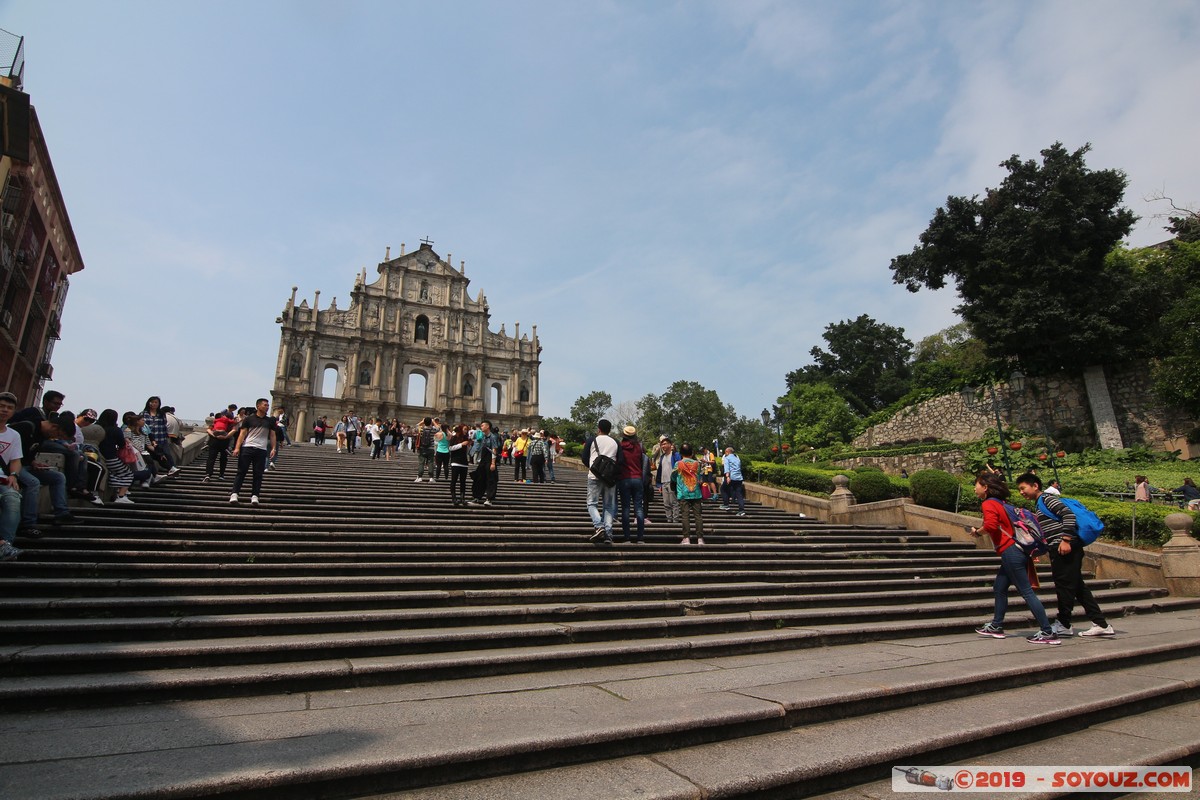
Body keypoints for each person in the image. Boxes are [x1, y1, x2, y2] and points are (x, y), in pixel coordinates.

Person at [1017, 472, 1114, 638]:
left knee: (1064, 586)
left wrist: (1066, 539)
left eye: (1023, 488)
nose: (1021, 492)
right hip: (1062, 547)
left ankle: (1063, 623)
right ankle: (1100, 623)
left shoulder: (1046, 499)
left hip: (1065, 547)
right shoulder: (1040, 503)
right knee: (1076, 586)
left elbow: (1068, 514)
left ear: (1035, 486)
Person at [968, 471, 1059, 645]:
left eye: (977, 485)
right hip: (1015, 550)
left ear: (985, 487)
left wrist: (977, 532)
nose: (974, 488)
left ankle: (1047, 631)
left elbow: (991, 526)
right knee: (999, 587)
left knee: (1026, 592)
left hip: (1011, 551)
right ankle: (996, 625)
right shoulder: (1001, 503)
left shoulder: (988, 503)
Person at [229, 398, 277, 506]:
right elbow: (242, 434)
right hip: (248, 447)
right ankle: (235, 493)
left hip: (261, 449)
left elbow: (273, 435)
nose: (267, 407)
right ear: (258, 406)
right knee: (241, 472)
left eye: (268, 405)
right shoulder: (249, 419)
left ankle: (255, 495)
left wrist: (273, 448)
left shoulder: (270, 421)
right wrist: (237, 448)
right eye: (265, 405)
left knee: (258, 474)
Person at [0, 391, 27, 560]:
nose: (4, 410)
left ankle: (6, 545)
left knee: (12, 497)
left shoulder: (14, 435)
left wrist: (14, 475)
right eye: (1, 406)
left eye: (9, 408)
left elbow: (16, 460)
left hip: (2, 478)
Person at [583, 419, 618, 544]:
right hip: (610, 478)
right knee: (608, 506)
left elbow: (584, 457)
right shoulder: (615, 442)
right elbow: (621, 460)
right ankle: (608, 534)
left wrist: (594, 467)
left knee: (592, 503)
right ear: (610, 429)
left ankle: (599, 526)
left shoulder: (592, 440)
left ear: (599, 429)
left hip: (594, 476)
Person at [96, 409, 136, 505]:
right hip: (111, 456)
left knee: (114, 473)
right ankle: (121, 496)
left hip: (99, 455)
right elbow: (122, 444)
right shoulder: (115, 430)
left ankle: (117, 493)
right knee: (128, 473)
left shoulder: (98, 427)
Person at [615, 425, 646, 544]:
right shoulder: (639, 447)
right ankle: (640, 537)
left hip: (624, 479)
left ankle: (627, 537)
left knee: (626, 508)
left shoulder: (620, 447)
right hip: (637, 478)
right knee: (639, 509)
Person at [674, 443, 705, 545]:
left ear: (681, 453)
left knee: (685, 516)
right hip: (696, 493)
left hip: (683, 493)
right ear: (692, 453)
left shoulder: (678, 464)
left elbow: (673, 477)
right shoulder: (697, 464)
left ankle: (686, 538)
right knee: (698, 516)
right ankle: (700, 538)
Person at [141, 397, 180, 475]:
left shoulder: (161, 413)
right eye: (152, 402)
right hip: (149, 439)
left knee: (167, 454)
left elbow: (164, 424)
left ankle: (174, 470)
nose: (154, 404)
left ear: (159, 404)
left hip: (162, 437)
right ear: (148, 403)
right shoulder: (143, 413)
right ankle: (153, 475)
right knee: (154, 457)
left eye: (156, 402)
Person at [468, 420, 501, 506]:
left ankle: (489, 499)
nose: (481, 427)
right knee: (479, 478)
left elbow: (494, 450)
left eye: (483, 425)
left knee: (491, 479)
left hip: (490, 460)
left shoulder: (493, 437)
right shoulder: (483, 436)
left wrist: (493, 463)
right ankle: (477, 497)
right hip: (483, 460)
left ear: (488, 427)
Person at [203, 410, 238, 482]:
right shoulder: (231, 423)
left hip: (214, 441)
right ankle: (221, 474)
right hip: (224, 441)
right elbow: (234, 430)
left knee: (211, 458)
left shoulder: (216, 420)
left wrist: (214, 435)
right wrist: (226, 437)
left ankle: (208, 474)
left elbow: (209, 429)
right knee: (223, 459)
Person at [655, 437, 680, 524]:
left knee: (674, 502)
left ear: (670, 444)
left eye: (665, 444)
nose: (663, 446)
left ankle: (675, 520)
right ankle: (669, 520)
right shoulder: (662, 457)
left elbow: (679, 468)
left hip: (672, 482)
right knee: (666, 503)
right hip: (663, 482)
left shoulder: (675, 455)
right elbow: (660, 470)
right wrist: (659, 484)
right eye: (662, 444)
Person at [447, 424, 471, 507]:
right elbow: (450, 448)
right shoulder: (454, 437)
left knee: (463, 482)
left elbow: (467, 452)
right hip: (455, 462)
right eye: (465, 429)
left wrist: (469, 446)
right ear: (461, 429)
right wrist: (461, 444)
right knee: (454, 480)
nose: (466, 431)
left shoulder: (466, 438)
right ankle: (454, 498)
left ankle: (462, 498)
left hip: (464, 462)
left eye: (467, 429)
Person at [719, 446, 746, 516]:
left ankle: (726, 504)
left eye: (725, 452)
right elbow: (739, 468)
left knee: (723, 489)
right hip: (739, 478)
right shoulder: (737, 458)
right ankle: (741, 510)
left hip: (732, 477)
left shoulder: (727, 458)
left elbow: (727, 468)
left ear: (727, 452)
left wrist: (727, 477)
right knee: (739, 494)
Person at [415, 417, 436, 482]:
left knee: (421, 463)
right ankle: (431, 477)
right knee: (431, 462)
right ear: (431, 422)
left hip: (422, 448)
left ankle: (420, 477)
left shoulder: (421, 429)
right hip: (431, 448)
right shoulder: (433, 429)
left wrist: (422, 421)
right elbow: (439, 428)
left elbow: (416, 426)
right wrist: (434, 422)